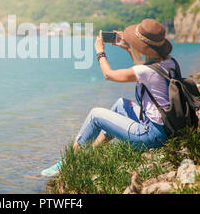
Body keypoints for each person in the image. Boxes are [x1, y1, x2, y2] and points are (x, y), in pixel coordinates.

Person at [41, 18, 181, 177]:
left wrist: (100, 51)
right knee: (121, 104)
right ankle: (91, 154)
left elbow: (109, 75)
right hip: (167, 129)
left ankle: (67, 163)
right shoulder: (170, 63)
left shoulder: (146, 71)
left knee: (95, 115)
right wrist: (130, 49)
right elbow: (143, 68)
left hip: (151, 136)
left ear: (144, 47)